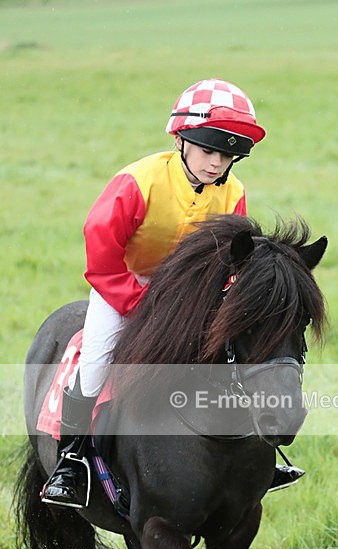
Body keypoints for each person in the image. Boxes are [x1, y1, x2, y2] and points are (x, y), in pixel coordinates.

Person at [42, 78, 304, 508]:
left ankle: (259, 456)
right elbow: (102, 254)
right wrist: (143, 305)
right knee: (97, 360)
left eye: (228, 155)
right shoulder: (136, 181)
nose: (217, 163)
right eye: (209, 150)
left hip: (190, 296)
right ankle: (72, 459)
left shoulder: (234, 193)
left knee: (233, 352)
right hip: (123, 286)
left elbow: (233, 259)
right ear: (182, 139)